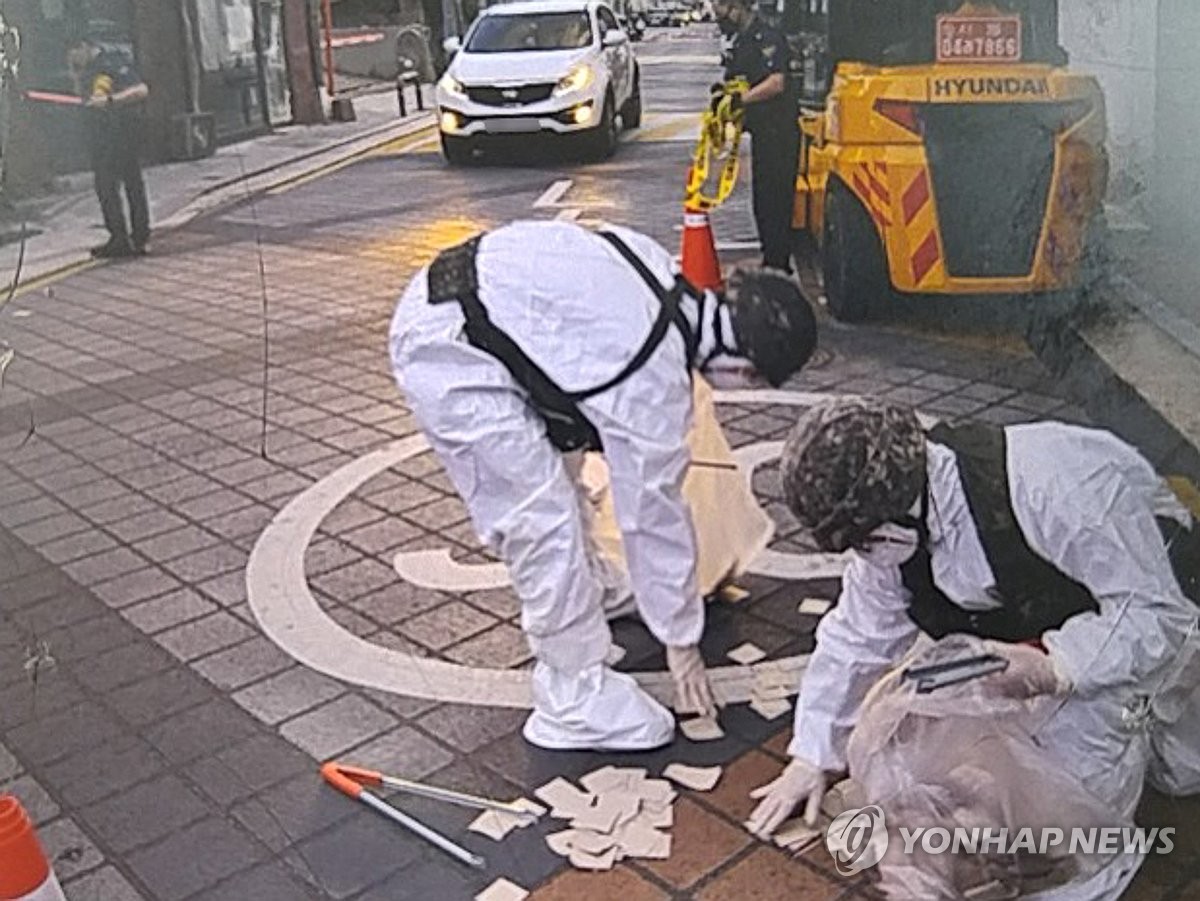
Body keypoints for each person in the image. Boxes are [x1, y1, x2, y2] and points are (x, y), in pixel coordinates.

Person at [390, 220, 817, 751]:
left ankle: (589, 587)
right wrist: (681, 642)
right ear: (745, 369)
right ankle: (571, 694)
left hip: (468, 307)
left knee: (561, 475)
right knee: (539, 518)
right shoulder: (653, 380)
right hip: (449, 352)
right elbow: (652, 518)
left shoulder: (656, 268)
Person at [746, 398, 1200, 896]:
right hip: (1043, 636)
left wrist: (1058, 666)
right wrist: (813, 754)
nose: (865, 555)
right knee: (1005, 797)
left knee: (1086, 840)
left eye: (866, 539)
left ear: (903, 500)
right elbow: (856, 638)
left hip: (1154, 618)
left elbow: (1159, 614)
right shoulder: (891, 535)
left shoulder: (1054, 483)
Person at [713, 0, 800, 273]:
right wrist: (724, 94)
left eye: (724, 9)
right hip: (763, 133)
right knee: (762, 201)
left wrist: (743, 100)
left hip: (779, 132)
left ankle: (778, 263)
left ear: (739, 7)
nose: (722, 16)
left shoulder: (768, 38)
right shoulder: (742, 40)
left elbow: (776, 82)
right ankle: (771, 258)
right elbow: (740, 77)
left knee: (775, 201)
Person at [67, 36, 150, 259]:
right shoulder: (87, 70)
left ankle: (138, 237)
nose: (72, 59)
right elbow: (84, 98)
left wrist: (111, 100)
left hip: (122, 132)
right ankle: (120, 238)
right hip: (102, 138)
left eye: (73, 53)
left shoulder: (110, 63)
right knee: (106, 188)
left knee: (130, 184)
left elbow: (141, 90)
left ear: (83, 46)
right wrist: (75, 74)